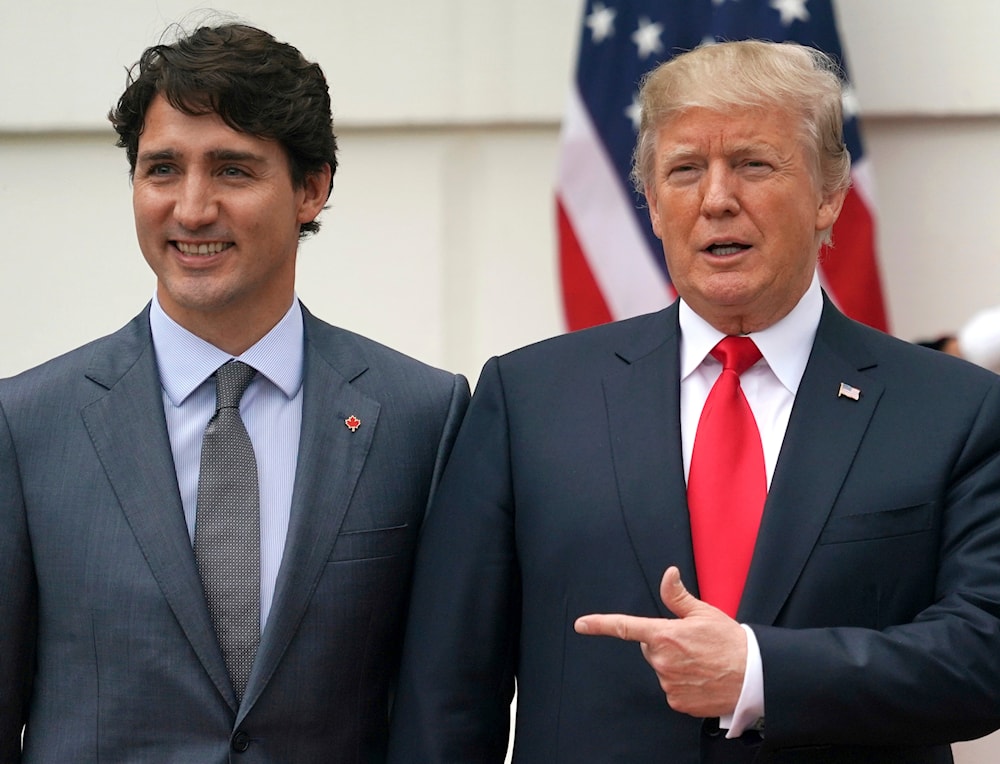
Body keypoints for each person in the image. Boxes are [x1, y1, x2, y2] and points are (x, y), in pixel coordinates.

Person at [386, 40, 1000, 763]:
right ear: (649, 201)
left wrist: (761, 673)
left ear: (828, 193)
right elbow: (448, 693)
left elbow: (981, 653)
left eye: (752, 164)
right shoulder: (527, 401)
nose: (716, 198)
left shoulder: (954, 409)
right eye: (684, 170)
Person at [0, 22, 469, 762]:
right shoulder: (26, 426)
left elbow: (443, 713)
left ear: (311, 189)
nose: (191, 209)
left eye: (232, 170)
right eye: (162, 170)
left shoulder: (422, 417)